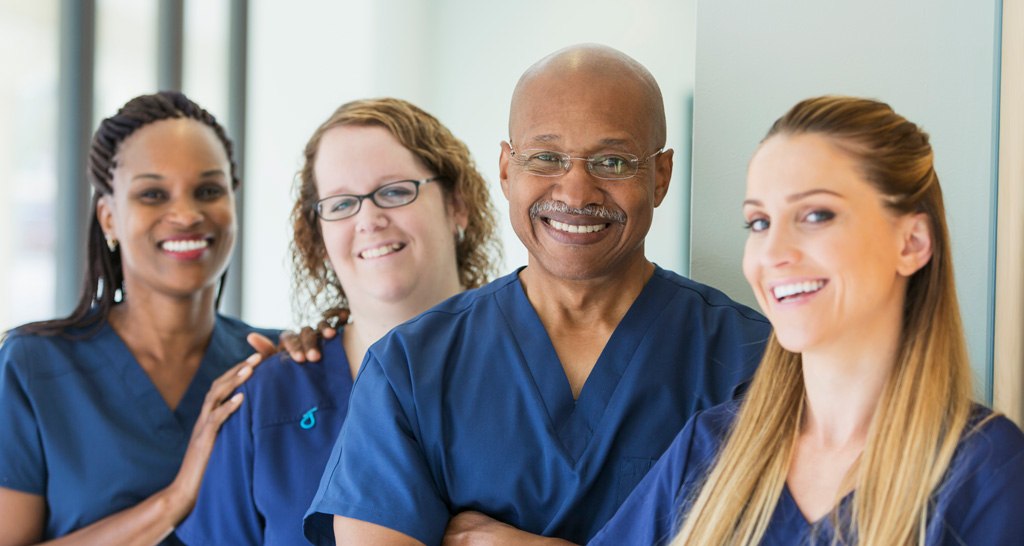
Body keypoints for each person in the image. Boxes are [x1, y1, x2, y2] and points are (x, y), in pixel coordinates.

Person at [302, 44, 771, 546]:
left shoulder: (754, 359)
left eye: (613, 161)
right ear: (506, 170)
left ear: (660, 176)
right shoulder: (409, 368)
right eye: (546, 158)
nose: (575, 193)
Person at [590, 96, 1024, 545]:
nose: (774, 253)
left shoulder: (986, 471)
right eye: (759, 223)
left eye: (816, 215)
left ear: (911, 243)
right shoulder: (708, 449)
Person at [175, 97, 501, 546]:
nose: (369, 219)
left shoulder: (535, 372)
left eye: (395, 191)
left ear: (457, 205)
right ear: (319, 234)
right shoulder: (266, 399)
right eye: (342, 203)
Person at [0, 91, 281, 545]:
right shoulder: (32, 367)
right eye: (153, 194)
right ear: (109, 218)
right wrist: (176, 500)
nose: (187, 214)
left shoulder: (272, 362)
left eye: (209, 190)